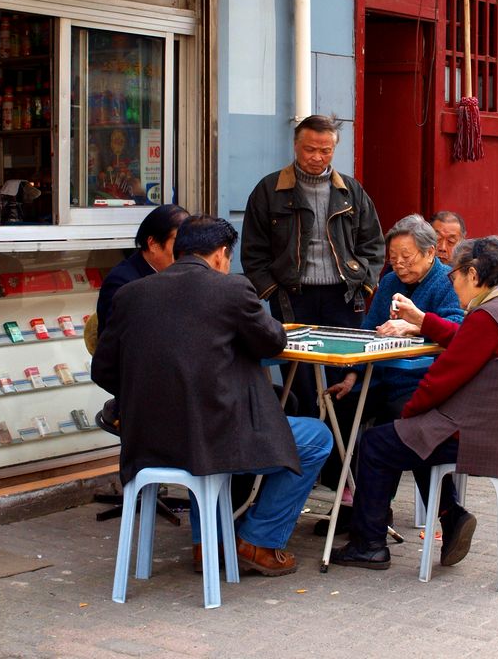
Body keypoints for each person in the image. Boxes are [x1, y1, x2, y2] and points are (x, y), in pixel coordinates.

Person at [91, 215, 333, 577]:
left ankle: (209, 544)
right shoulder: (232, 289)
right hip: (214, 437)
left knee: (199, 431)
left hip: (147, 441)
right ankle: (259, 540)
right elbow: (273, 341)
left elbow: (103, 370)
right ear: (222, 254)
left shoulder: (131, 294)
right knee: (317, 437)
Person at [330, 235, 498, 571]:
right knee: (416, 436)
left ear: (473, 275)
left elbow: (438, 381)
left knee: (379, 441)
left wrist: (409, 417)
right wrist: (422, 320)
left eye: (455, 275)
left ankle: (368, 545)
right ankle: (451, 516)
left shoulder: (486, 318)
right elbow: (464, 342)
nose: (453, 283)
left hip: (477, 438)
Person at [317, 214, 463, 518]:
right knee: (336, 409)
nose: (399, 264)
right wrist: (352, 375)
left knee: (397, 426)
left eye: (406, 257)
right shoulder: (389, 282)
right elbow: (368, 330)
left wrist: (414, 326)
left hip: (421, 382)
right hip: (379, 376)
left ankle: (428, 512)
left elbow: (457, 326)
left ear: (430, 253)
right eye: (393, 257)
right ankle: (351, 498)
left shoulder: (447, 281)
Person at [241, 114, 385, 416]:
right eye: (310, 149)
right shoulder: (269, 190)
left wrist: (367, 284)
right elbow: (253, 253)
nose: (317, 157)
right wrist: (271, 292)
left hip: (344, 297)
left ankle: (341, 458)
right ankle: (309, 452)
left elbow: (373, 244)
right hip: (293, 297)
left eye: (326, 150)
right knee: (299, 380)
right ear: (296, 146)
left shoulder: (351, 190)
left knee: (344, 378)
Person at [95, 203, 189, 337]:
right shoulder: (122, 282)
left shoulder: (184, 275)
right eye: (178, 243)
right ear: (153, 244)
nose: (185, 251)